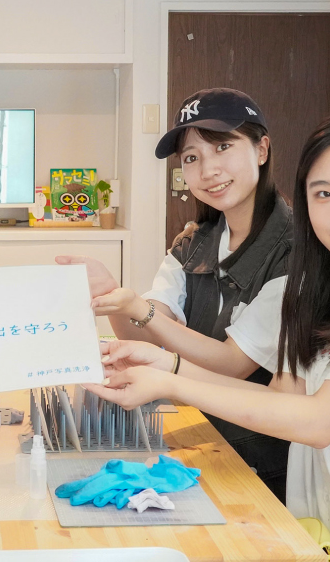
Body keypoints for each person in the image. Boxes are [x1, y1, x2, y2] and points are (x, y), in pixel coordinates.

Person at [89, 107, 330, 561]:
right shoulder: (315, 286)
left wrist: (171, 381)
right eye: (323, 193)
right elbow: (281, 397)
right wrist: (165, 365)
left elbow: (318, 421)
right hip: (319, 534)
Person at [58, 88, 292, 500]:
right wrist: (113, 296)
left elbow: (234, 365)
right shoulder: (195, 241)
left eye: (222, 147)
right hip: (199, 436)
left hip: (259, 457)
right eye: (191, 158)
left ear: (261, 149)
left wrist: (138, 307)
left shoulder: (292, 251)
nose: (208, 169)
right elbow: (145, 331)